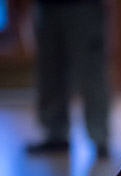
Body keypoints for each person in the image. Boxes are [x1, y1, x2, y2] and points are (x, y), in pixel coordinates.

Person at [25, 0, 110, 158]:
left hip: (84, 6)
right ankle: (55, 134)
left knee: (91, 70)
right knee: (49, 71)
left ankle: (100, 137)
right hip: (47, 6)